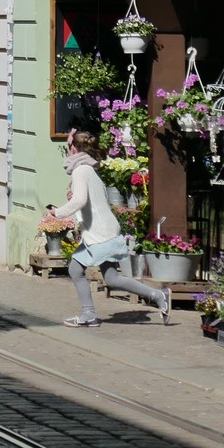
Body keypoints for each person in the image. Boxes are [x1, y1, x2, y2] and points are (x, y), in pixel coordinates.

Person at [53, 127, 172, 327]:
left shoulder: (81, 170)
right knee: (112, 278)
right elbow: (92, 199)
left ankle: (89, 314)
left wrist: (57, 213)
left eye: (68, 144)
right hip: (104, 231)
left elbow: (80, 200)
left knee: (75, 269)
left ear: (73, 148)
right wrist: (74, 198)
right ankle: (159, 295)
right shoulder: (89, 169)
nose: (67, 149)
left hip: (99, 234)